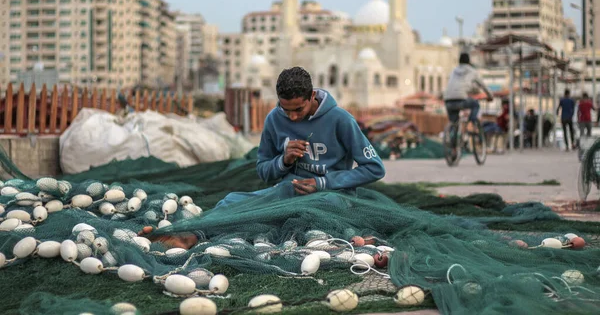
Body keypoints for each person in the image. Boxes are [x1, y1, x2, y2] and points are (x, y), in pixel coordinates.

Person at [141, 66, 386, 248]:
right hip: (286, 192)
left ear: (312, 96)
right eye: (285, 109)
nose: (291, 118)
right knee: (232, 201)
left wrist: (322, 183)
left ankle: (192, 236)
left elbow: (374, 168)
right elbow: (263, 171)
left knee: (281, 215)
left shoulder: (340, 120)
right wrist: (284, 161)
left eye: (298, 110)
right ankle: (189, 235)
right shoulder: (273, 119)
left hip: (332, 198)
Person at [443, 53, 494, 128]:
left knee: (454, 124)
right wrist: (490, 96)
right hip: (461, 100)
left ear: (459, 61)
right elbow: (483, 85)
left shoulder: (453, 71)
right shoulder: (472, 71)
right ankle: (471, 122)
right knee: (475, 104)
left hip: (448, 101)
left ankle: (452, 137)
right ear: (468, 61)